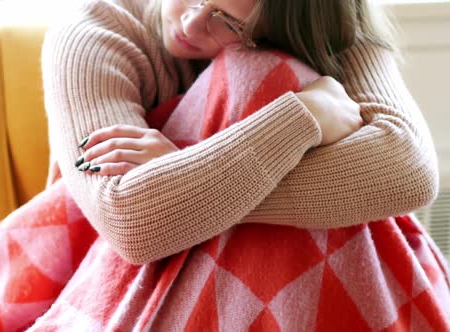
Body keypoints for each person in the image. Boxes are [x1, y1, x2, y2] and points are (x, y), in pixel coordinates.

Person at [42, 0, 438, 264]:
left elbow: (409, 171)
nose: (191, 22)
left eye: (227, 21)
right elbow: (130, 221)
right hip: (110, 273)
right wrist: (302, 115)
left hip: (271, 281)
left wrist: (182, 178)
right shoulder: (92, 31)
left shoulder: (329, 34)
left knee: (265, 71)